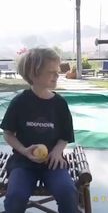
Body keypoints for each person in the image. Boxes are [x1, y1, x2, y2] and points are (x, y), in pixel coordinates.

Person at [0, 48, 80, 213]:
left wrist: (58, 151)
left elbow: (65, 136)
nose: (57, 75)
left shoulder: (60, 104)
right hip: (23, 162)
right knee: (15, 196)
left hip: (53, 162)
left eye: (57, 71)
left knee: (68, 193)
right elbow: (7, 134)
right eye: (51, 72)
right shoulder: (19, 103)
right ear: (33, 74)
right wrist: (24, 150)